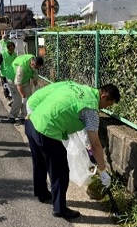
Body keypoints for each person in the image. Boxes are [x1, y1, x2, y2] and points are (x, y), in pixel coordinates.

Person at [25, 82, 120, 219]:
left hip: (32, 120)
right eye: (109, 104)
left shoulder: (75, 86)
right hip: (46, 130)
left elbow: (44, 92)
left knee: (40, 161)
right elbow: (96, 145)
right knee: (61, 170)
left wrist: (31, 109)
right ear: (104, 96)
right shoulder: (91, 110)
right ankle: (59, 208)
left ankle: (42, 193)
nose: (106, 108)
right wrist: (103, 170)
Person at [5, 54, 44, 123]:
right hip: (12, 79)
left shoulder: (34, 64)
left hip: (25, 79)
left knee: (29, 97)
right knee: (18, 99)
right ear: (32, 63)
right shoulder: (22, 67)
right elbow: (18, 84)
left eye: (37, 68)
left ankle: (24, 115)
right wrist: (23, 96)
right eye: (35, 67)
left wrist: (37, 88)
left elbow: (34, 78)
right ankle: (12, 115)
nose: (36, 68)